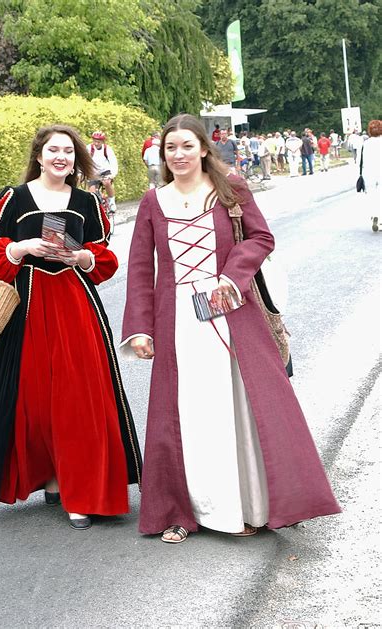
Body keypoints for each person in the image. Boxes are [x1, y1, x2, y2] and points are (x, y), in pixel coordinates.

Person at [121, 113, 340, 543]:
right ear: (162, 155)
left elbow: (260, 238)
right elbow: (141, 269)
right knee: (190, 417)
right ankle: (191, 511)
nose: (179, 154)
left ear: (204, 148)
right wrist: (141, 328)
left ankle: (250, 505)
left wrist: (231, 275)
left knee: (239, 410)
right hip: (179, 320)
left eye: (187, 146)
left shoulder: (230, 188)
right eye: (171, 148)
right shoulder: (153, 202)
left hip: (230, 309)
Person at [0, 124, 142, 529]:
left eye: (68, 151)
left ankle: (79, 491)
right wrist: (21, 248)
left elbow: (103, 258)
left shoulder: (87, 201)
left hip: (76, 304)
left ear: (76, 158)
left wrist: (81, 258)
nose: (61, 157)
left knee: (79, 397)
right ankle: (52, 477)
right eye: (54, 150)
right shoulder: (15, 198)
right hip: (29, 306)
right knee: (35, 398)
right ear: (38, 155)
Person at [86, 130, 119, 212]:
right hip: (93, 172)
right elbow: (84, 161)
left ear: (102, 141)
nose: (96, 143)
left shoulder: (107, 149)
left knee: (106, 183)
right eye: (94, 141)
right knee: (92, 193)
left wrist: (112, 174)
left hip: (105, 171)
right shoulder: (89, 148)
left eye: (98, 141)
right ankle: (95, 208)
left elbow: (113, 162)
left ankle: (111, 202)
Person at [360, 119, 381, 232]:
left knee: (372, 195)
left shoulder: (366, 144)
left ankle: (374, 214)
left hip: (369, 172)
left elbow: (360, 160)